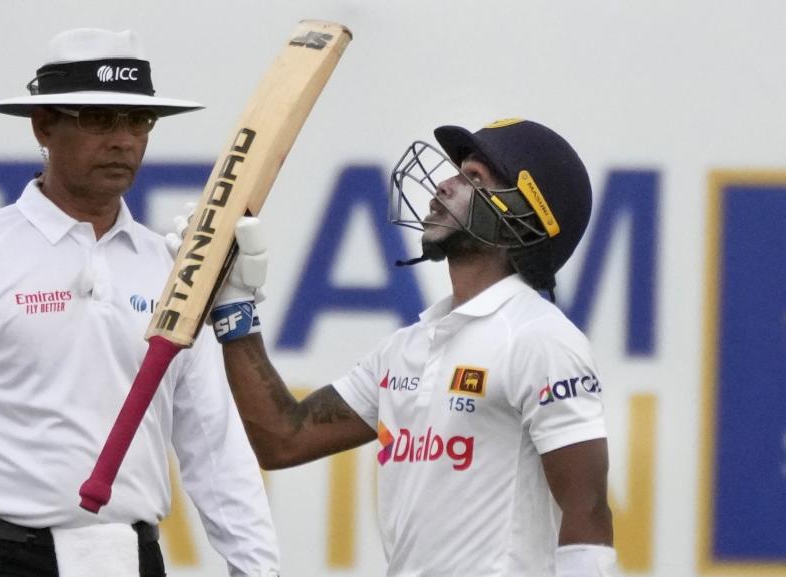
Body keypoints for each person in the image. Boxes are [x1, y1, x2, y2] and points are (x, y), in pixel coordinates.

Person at [0, 28, 280, 577]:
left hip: (135, 556)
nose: (123, 140)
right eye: (99, 119)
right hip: (4, 559)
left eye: (138, 121)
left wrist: (259, 569)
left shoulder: (171, 269)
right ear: (43, 125)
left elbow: (214, 445)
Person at [207, 118, 619, 576]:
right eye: (456, 171)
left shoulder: (541, 340)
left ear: (521, 218)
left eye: (472, 179)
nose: (444, 185)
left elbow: (588, 510)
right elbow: (283, 438)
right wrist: (233, 306)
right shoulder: (406, 348)